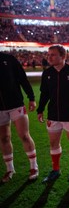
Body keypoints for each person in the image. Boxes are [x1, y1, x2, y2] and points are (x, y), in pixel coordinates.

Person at [37, 45, 69, 183]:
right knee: (53, 143)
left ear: (63, 57)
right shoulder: (47, 73)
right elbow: (44, 94)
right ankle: (56, 170)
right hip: (53, 115)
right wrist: (40, 109)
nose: (49, 57)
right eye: (48, 54)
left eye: (53, 55)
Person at [0, 52, 39, 182]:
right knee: (4, 138)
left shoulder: (9, 59)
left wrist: (31, 98)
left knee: (24, 135)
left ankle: (34, 167)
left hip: (16, 104)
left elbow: (22, 78)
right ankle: (10, 169)